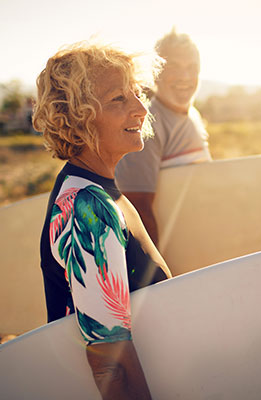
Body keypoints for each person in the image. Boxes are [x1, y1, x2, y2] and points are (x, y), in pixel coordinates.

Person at [33, 41, 172, 400]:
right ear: (78, 118)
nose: (141, 109)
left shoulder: (100, 191)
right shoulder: (88, 206)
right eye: (118, 100)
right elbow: (109, 364)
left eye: (137, 94)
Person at [115, 29, 212, 245]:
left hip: (202, 247)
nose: (185, 77)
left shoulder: (193, 115)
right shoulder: (146, 124)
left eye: (192, 68)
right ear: (155, 72)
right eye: (174, 67)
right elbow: (137, 208)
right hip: (176, 261)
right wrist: (159, 275)